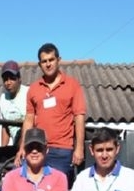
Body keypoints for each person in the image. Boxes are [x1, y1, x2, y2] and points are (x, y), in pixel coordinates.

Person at [17, 43, 86, 177]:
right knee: (29, 187)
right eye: (44, 61)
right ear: (40, 64)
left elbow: (79, 116)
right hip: (37, 148)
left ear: (58, 60)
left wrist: (79, 148)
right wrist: (22, 147)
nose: (48, 64)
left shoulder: (72, 85)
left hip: (62, 150)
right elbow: (29, 119)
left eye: (51, 60)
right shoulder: (34, 88)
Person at [0, 60, 28, 153]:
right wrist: (3, 149)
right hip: (15, 146)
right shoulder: (3, 98)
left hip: (28, 144)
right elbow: (5, 127)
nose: (8, 82)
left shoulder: (28, 93)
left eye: (12, 78)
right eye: (5, 79)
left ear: (19, 79)